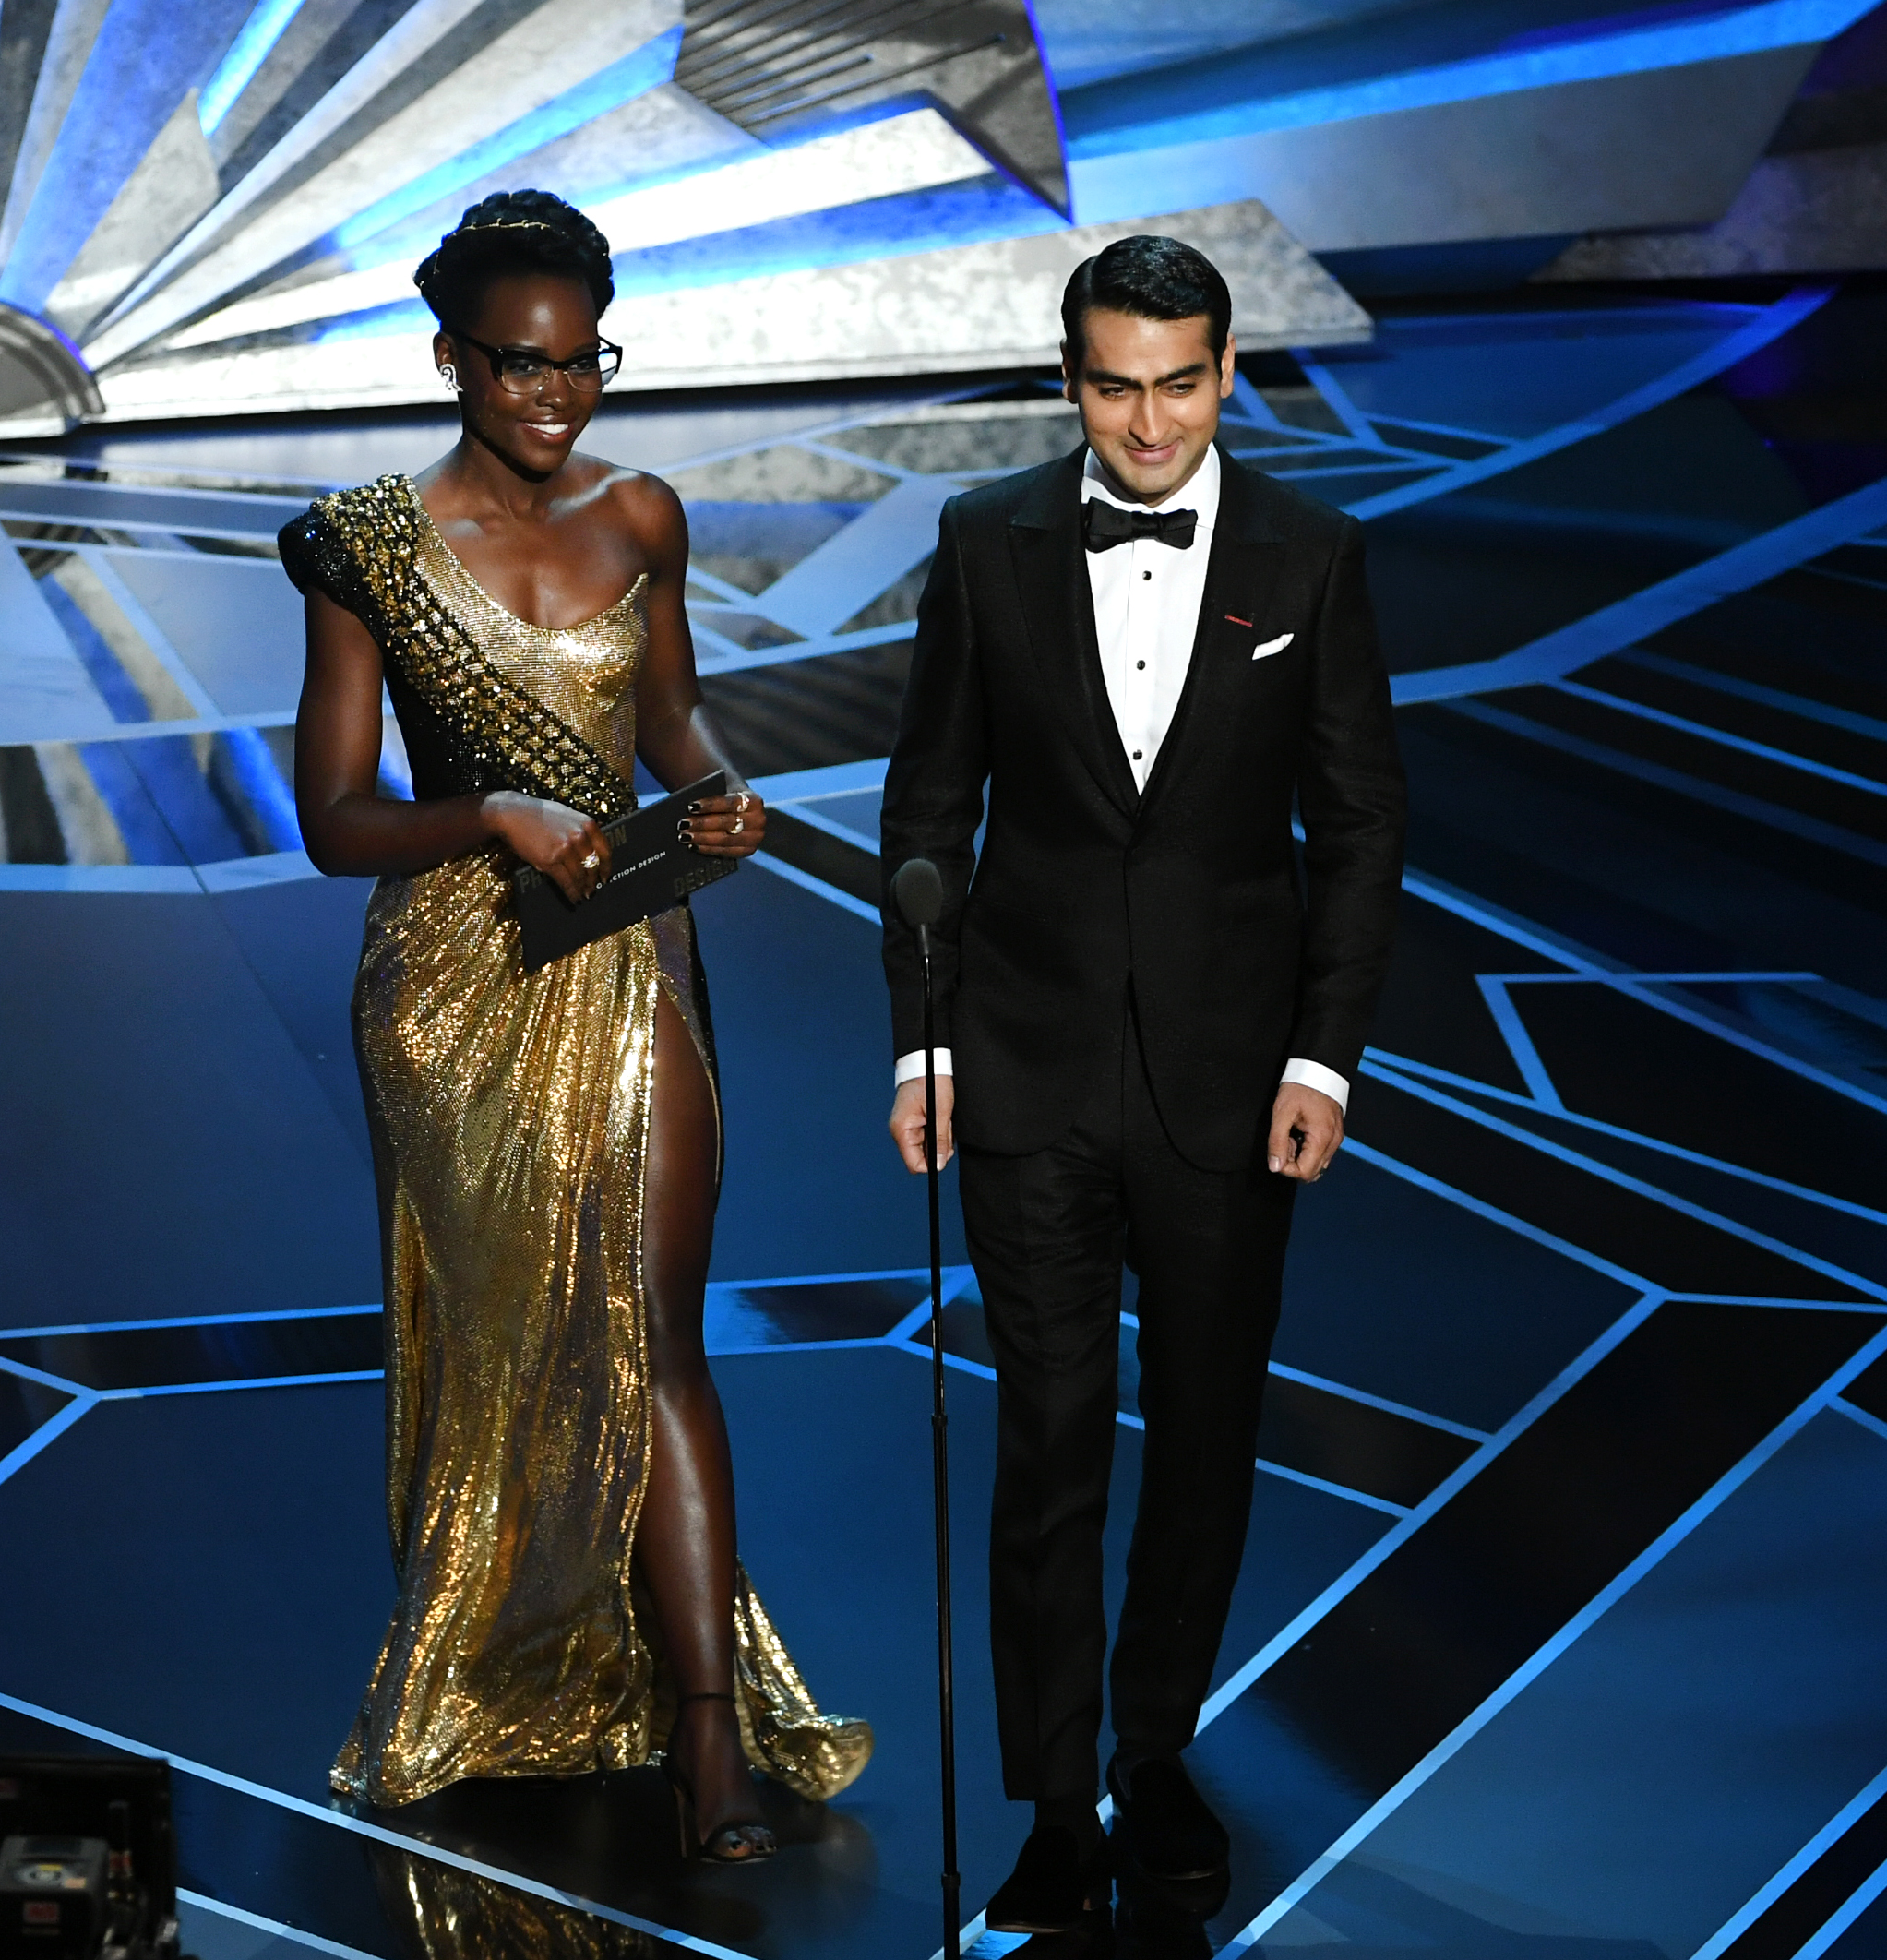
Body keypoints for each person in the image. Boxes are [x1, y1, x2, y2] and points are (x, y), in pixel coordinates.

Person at [279, 189, 870, 1864]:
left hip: (626, 954)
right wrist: (492, 821)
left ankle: (707, 1737)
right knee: (501, 1340)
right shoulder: (361, 544)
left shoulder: (642, 515)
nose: (553, 397)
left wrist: (712, 792)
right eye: (518, 366)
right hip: (455, 981)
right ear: (452, 359)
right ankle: (496, 1667)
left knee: (658, 1328)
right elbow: (331, 818)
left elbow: (670, 713)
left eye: (581, 363)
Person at [877, 234, 1406, 1931]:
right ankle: (1050, 1798)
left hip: (1233, 1081)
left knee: (1202, 1436)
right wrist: (927, 1035)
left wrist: (1323, 1053)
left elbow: (1362, 827)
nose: (1150, 420)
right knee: (1043, 1443)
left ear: (1228, 374)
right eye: (1116, 385)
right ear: (1071, 382)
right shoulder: (985, 541)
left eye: (1181, 382)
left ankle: (1155, 1748)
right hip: (1020, 1074)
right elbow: (924, 810)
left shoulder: (1311, 557)